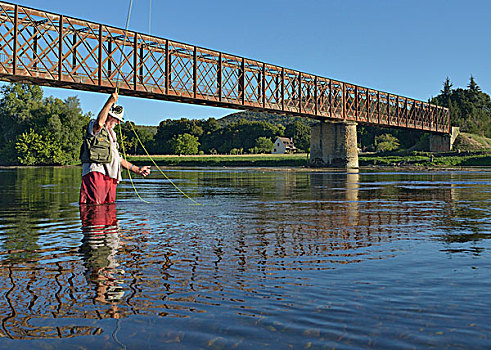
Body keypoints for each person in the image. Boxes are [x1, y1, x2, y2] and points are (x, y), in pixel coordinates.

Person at [80, 92, 150, 204]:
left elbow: (118, 158)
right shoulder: (94, 126)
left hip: (111, 177)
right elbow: (100, 123)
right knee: (94, 209)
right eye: (116, 119)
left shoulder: (113, 134)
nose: (118, 122)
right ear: (109, 116)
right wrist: (110, 101)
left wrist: (138, 170)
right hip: (96, 174)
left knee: (109, 212)